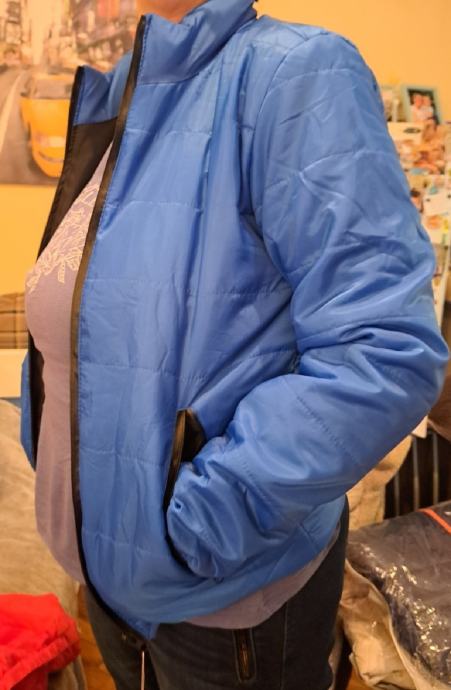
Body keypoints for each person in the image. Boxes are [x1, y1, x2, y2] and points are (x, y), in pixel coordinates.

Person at [20, 1, 448, 689]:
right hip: (111, 582)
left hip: (224, 603)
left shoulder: (293, 73)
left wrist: (196, 526)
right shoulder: (127, 87)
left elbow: (384, 349)